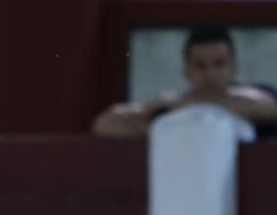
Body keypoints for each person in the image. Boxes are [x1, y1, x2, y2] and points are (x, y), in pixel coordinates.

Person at [92, 25, 277, 138]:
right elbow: (106, 123)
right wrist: (160, 130)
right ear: (186, 70)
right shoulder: (171, 106)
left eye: (219, 64)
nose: (210, 74)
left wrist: (183, 106)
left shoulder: (256, 96)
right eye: (200, 65)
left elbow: (266, 108)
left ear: (234, 66)